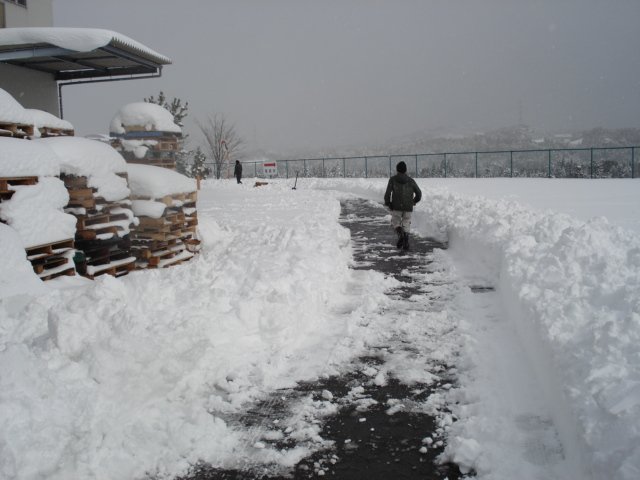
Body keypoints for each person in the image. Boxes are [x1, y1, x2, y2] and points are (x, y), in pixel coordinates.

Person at [384, 161, 422, 250]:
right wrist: (414, 201)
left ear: (397, 170)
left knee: (396, 222)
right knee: (406, 222)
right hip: (408, 206)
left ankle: (400, 234)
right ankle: (406, 240)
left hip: (396, 206)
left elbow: (388, 193)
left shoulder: (392, 180)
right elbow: (419, 193)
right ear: (405, 170)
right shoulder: (411, 181)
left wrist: (388, 203)